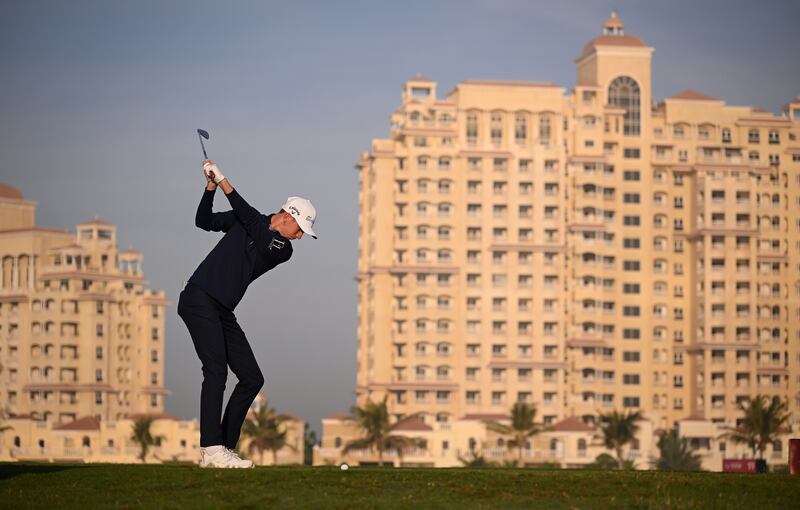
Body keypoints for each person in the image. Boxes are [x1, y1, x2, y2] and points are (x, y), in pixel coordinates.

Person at [177, 160, 317, 468]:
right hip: (198, 298)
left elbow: (254, 223)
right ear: (287, 217)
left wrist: (225, 180)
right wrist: (211, 187)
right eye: (301, 229)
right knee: (215, 371)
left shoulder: (282, 248)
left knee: (252, 378)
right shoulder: (246, 221)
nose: (301, 237)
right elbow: (204, 221)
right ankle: (212, 449)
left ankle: (222, 449)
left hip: (222, 309)